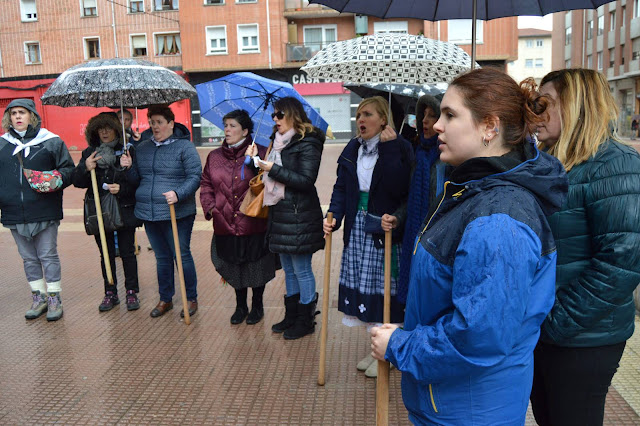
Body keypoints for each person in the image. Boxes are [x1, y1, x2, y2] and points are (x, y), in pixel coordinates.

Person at [369, 68, 569, 425]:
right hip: (450, 402)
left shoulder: (498, 217)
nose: (436, 125)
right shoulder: (471, 192)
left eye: (450, 115)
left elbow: (479, 336)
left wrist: (401, 346)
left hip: (469, 410)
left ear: (489, 127)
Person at [530, 68, 640, 426]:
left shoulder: (617, 165)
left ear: (576, 106)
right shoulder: (549, 163)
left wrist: (555, 322)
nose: (536, 113)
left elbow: (620, 265)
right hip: (547, 328)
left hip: (585, 337)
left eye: (544, 104)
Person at [323, 96, 413, 378]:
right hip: (357, 225)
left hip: (384, 228)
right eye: (359, 114)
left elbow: (401, 189)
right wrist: (333, 214)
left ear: (383, 119)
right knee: (365, 288)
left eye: (368, 114)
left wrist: (388, 150)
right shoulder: (353, 148)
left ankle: (388, 352)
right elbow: (341, 187)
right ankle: (376, 347)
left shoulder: (400, 147)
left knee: (384, 289)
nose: (360, 119)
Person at [245, 97, 325, 340]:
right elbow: (264, 177)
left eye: (279, 114)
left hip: (300, 214)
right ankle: (291, 316)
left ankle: (305, 319)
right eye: (273, 115)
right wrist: (255, 161)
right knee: (288, 270)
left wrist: (272, 168)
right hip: (280, 213)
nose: (275, 119)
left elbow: (305, 180)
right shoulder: (274, 141)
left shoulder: (308, 141)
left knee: (301, 269)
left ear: (292, 114)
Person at [120, 104, 201, 319]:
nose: (155, 127)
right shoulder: (143, 147)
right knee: (162, 258)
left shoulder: (185, 147)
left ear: (171, 124)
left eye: (159, 122)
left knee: (181, 255)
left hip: (178, 212)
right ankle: (166, 298)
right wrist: (128, 167)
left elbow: (195, 176)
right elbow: (137, 179)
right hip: (149, 211)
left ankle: (190, 298)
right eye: (152, 122)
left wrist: (178, 193)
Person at [200, 110, 277, 325]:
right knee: (233, 265)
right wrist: (211, 208)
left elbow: (269, 182)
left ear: (245, 130)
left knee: (256, 265)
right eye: (225, 125)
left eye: (232, 125)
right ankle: (240, 305)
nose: (227, 129)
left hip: (253, 221)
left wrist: (255, 161)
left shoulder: (262, 152)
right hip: (224, 221)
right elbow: (206, 184)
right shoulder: (214, 157)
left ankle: (258, 305)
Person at [0, 99, 75, 321]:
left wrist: (54, 179)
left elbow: (68, 170)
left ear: (32, 115)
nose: (18, 117)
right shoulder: (3, 145)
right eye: (13, 113)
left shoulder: (51, 142)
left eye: (22, 112)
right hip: (14, 211)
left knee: (47, 255)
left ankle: (54, 298)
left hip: (45, 208)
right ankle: (38, 297)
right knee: (28, 258)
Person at [71, 113, 141, 312]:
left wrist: (123, 186)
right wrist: (85, 168)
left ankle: (131, 291)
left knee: (127, 252)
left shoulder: (127, 151)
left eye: (108, 128)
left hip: (124, 208)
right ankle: (110, 291)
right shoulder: (89, 153)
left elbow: (137, 183)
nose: (104, 132)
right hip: (99, 211)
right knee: (106, 253)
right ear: (94, 131)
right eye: (100, 128)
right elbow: (77, 182)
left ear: (116, 129)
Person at [392, 95, 448, 308]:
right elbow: (411, 197)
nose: (424, 121)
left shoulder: (449, 159)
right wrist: (398, 218)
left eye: (432, 116)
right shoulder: (419, 155)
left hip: (438, 242)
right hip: (414, 238)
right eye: (422, 115)